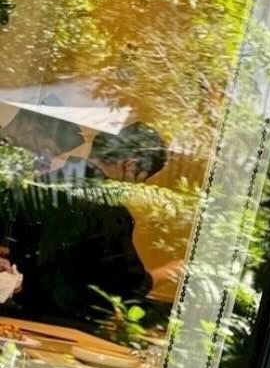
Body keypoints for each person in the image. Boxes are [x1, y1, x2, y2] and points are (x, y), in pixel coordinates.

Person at [0, 124, 166, 329]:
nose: (138, 185)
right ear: (130, 165)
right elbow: (128, 286)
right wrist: (173, 271)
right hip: (65, 330)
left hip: (11, 318)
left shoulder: (36, 186)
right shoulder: (109, 212)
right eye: (142, 178)